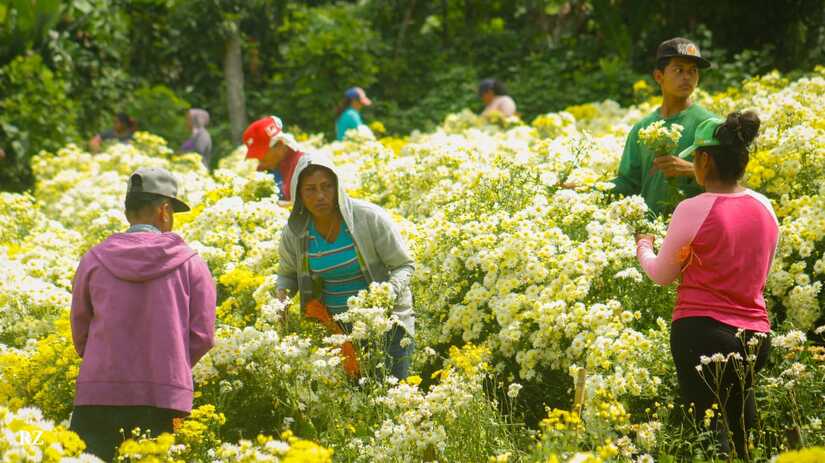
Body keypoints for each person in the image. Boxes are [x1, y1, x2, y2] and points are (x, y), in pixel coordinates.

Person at [636, 111, 775, 460]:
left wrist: (643, 246)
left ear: (705, 160)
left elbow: (661, 274)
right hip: (756, 336)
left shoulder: (692, 209)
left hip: (702, 332)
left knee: (710, 437)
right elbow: (761, 272)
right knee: (745, 435)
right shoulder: (765, 207)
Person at [69, 167, 216, 461]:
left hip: (98, 395)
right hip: (163, 399)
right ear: (163, 211)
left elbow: (80, 328)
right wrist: (171, 366)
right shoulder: (190, 263)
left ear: (127, 213)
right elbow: (203, 335)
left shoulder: (94, 259)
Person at [276, 152, 415, 379]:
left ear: (337, 187)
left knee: (391, 396)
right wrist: (282, 299)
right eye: (310, 189)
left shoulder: (369, 218)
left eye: (327, 187)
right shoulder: (295, 231)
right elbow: (287, 274)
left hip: (388, 324)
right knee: (358, 402)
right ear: (299, 194)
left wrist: (388, 291)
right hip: (339, 331)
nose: (320, 196)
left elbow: (404, 265)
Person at [612, 37, 718, 215]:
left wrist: (692, 170)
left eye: (693, 71)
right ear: (659, 76)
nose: (687, 77)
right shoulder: (642, 128)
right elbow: (628, 183)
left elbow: (730, 182)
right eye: (678, 70)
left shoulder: (710, 124)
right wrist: (588, 189)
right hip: (648, 232)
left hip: (696, 230)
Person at [244, 115, 304, 202]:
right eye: (256, 154)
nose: (259, 159)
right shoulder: (264, 168)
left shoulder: (302, 166)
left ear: (280, 144)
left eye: (261, 153)